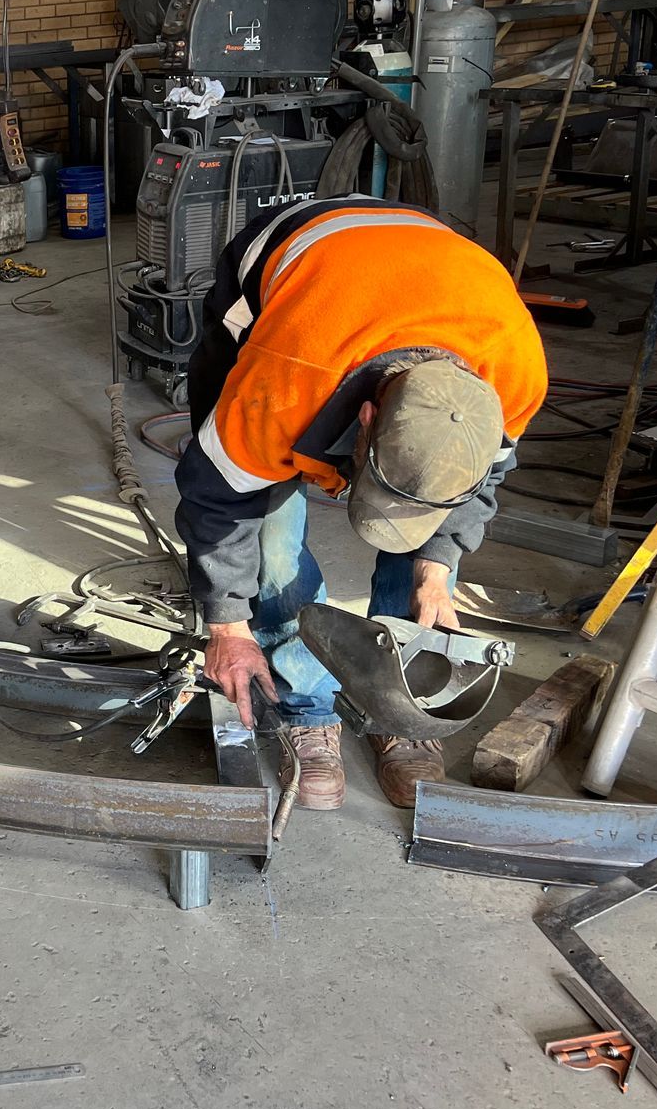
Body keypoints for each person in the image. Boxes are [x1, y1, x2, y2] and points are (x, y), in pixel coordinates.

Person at [174, 194, 548, 808]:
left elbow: (477, 484)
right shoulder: (285, 378)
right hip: (297, 267)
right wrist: (228, 625)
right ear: (367, 418)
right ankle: (304, 704)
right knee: (270, 522)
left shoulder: (514, 377)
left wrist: (436, 573)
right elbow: (219, 500)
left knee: (430, 510)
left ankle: (394, 706)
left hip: (433, 271)